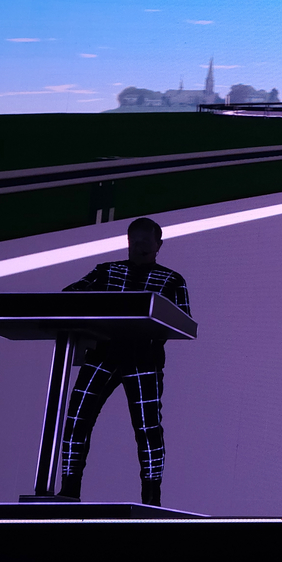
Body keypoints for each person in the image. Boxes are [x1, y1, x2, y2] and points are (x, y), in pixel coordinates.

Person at [56, 217, 190, 506]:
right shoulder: (106, 271)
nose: (140, 246)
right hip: (103, 353)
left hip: (144, 359)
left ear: (158, 244)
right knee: (77, 419)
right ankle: (68, 489)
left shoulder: (172, 280)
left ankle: (151, 499)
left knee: (148, 429)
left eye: (146, 240)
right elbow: (69, 295)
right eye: (135, 240)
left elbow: (183, 322)